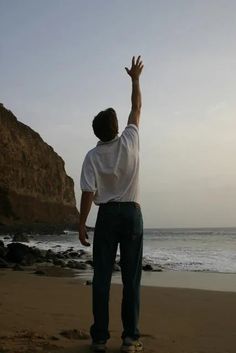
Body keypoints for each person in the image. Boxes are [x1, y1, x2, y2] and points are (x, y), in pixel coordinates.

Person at [79, 56, 144, 353]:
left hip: (106, 216)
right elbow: (137, 107)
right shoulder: (130, 139)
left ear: (97, 133)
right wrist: (134, 79)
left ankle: (100, 339)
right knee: (130, 278)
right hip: (131, 213)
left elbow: (88, 193)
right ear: (116, 127)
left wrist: (81, 224)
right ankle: (130, 338)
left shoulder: (92, 156)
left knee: (102, 277)